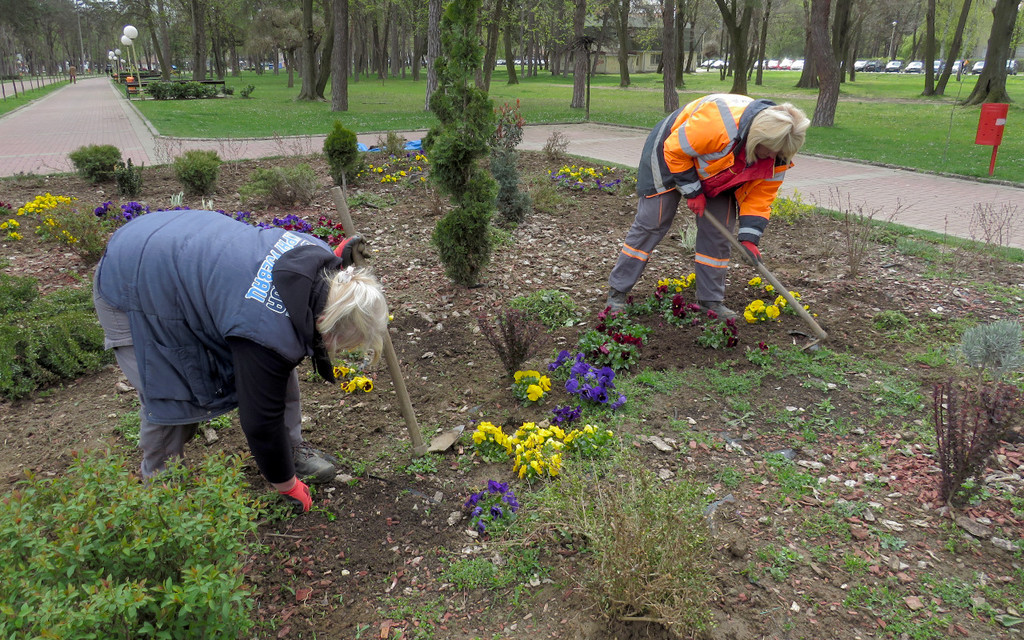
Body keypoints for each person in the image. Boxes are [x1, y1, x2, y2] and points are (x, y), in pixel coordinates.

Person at [93, 209, 389, 513]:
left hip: (176, 243)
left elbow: (276, 358)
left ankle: (290, 448)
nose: (337, 350)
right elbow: (259, 420)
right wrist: (285, 484)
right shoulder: (263, 329)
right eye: (340, 342)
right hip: (133, 280)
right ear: (325, 319)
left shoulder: (317, 256)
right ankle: (162, 495)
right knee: (169, 391)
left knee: (280, 352)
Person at [607, 93, 809, 318]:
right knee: (654, 220)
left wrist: (749, 239)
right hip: (670, 150)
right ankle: (617, 291)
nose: (771, 156)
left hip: (717, 167)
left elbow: (760, 199)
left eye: (778, 152)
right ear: (757, 136)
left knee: (719, 230)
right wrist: (693, 190)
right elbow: (674, 149)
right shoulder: (719, 124)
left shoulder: (777, 156)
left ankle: (711, 301)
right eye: (769, 149)